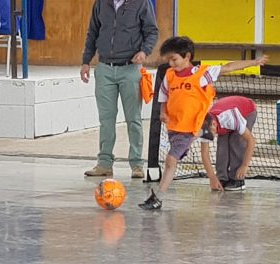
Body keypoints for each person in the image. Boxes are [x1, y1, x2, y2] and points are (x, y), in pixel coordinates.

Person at [138, 36, 268, 210]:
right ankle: (203, 133)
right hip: (175, 126)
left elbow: (227, 67)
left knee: (171, 160)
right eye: (168, 60)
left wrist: (255, 62)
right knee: (172, 160)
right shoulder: (169, 76)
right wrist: (162, 113)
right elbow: (163, 96)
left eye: (174, 59)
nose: (171, 63)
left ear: (187, 57)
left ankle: (158, 197)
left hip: (192, 126)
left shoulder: (201, 74)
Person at [80, 0, 158, 179]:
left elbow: (152, 31)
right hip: (105, 68)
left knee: (133, 119)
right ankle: (104, 164)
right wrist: (86, 61)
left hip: (130, 68)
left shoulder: (141, 3)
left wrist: (144, 51)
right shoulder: (101, 3)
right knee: (106, 119)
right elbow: (93, 32)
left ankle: (137, 164)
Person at [200, 96, 257, 192]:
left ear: (214, 124)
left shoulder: (229, 118)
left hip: (247, 110)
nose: (210, 137)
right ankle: (222, 178)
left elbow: (251, 141)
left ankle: (237, 179)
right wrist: (213, 178)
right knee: (222, 144)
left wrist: (244, 166)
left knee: (236, 140)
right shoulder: (203, 126)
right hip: (225, 111)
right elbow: (204, 154)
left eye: (211, 133)